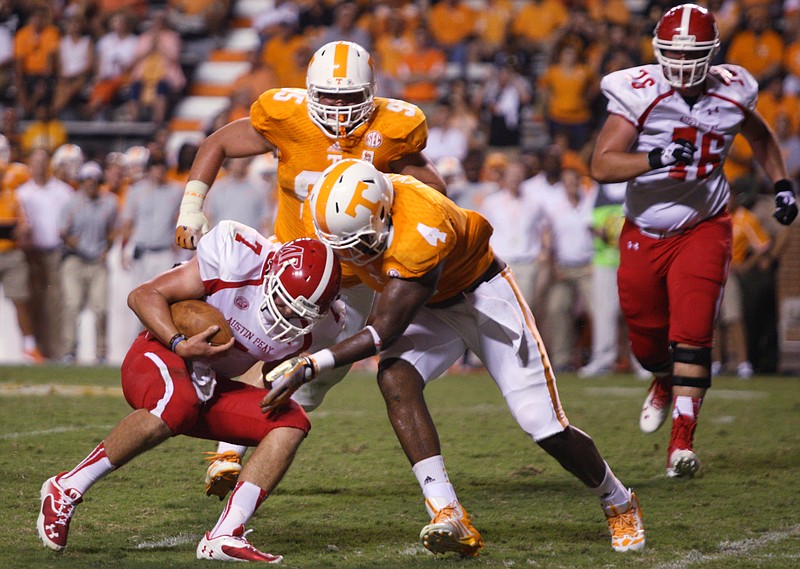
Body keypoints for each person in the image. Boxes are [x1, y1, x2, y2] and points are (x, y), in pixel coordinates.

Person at [262, 158, 646, 556]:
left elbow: (384, 330)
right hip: (431, 307)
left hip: (482, 299)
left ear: (382, 215)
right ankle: (447, 510)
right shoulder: (331, 209)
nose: (350, 255)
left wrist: (311, 363)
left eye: (355, 244)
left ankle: (618, 499)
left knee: (542, 423)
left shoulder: (423, 225)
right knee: (395, 378)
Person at [174, 40, 445, 494]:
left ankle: (263, 428)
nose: (338, 109)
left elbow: (431, 186)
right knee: (258, 345)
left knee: (320, 376)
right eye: (329, 96)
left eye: (348, 97)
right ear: (310, 91)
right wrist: (191, 207)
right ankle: (226, 450)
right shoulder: (286, 117)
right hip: (289, 259)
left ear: (371, 93)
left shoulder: (394, 127)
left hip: (356, 273)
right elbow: (219, 141)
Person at [37, 221, 343, 562]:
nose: (287, 316)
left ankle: (226, 534)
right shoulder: (238, 259)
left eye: (300, 314)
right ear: (272, 273)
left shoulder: (325, 326)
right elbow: (141, 295)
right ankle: (65, 487)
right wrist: (179, 343)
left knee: (290, 421)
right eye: (285, 302)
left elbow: (267, 372)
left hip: (207, 383)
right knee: (178, 403)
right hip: (158, 355)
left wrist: (283, 380)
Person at [590, 4, 797, 479]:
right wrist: (656, 156)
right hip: (645, 226)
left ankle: (681, 443)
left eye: (693, 54)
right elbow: (601, 164)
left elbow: (760, 136)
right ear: (657, 51)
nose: (682, 65)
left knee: (695, 330)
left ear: (712, 54)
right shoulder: (637, 91)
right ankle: (662, 380)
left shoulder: (734, 88)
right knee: (646, 341)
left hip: (705, 223)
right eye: (673, 54)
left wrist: (781, 183)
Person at [60, 161, 119, 364]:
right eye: (87, 180)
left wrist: (107, 249)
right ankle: (69, 351)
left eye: (94, 180)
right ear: (81, 182)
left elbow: (113, 229)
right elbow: (61, 231)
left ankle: (101, 353)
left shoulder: (109, 202)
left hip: (97, 261)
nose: (90, 184)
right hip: (75, 259)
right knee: (72, 305)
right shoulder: (72, 203)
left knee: (100, 308)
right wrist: (69, 241)